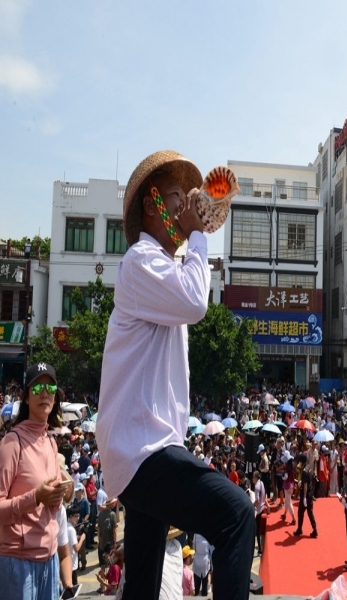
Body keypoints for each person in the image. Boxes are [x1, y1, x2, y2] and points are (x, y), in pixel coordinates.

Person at [96, 150, 254, 600]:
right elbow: (195, 301)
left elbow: (189, 290)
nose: (184, 206)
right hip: (143, 449)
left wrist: (202, 216)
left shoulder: (162, 267)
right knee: (236, 514)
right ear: (152, 205)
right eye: (174, 198)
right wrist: (197, 231)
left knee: (143, 582)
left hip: (143, 448)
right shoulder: (140, 260)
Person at [0, 362, 68, 600]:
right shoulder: (12, 443)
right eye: (38, 388)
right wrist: (35, 497)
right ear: (27, 398)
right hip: (17, 562)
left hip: (49, 559)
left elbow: (53, 506)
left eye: (51, 388)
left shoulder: (50, 442)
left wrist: (58, 496)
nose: (45, 393)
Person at [293, 454, 318, 538]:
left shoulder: (304, 471)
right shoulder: (309, 466)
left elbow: (305, 485)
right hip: (310, 493)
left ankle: (299, 529)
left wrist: (304, 497)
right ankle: (315, 530)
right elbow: (309, 479)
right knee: (310, 512)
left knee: (300, 512)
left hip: (306, 494)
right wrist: (301, 481)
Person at [66, 507, 86, 585]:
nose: (78, 518)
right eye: (76, 516)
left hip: (67, 564)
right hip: (72, 565)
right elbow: (76, 548)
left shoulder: (66, 526)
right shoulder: (71, 530)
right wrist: (82, 539)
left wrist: (76, 537)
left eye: (78, 516)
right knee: (73, 587)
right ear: (70, 516)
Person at [252, 470, 268, 555]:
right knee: (258, 528)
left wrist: (252, 504)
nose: (252, 479)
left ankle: (260, 549)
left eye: (253, 477)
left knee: (257, 529)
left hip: (257, 510)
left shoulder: (256, 487)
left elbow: (257, 501)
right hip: (262, 508)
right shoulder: (261, 483)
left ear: (255, 477)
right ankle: (260, 546)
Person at [192, 533, 213, 597]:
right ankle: (204, 594)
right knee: (204, 583)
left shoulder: (195, 534)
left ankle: (196, 594)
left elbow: (194, 547)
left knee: (196, 583)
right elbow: (210, 548)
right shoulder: (208, 533)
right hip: (205, 560)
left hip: (197, 559)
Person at [280, 451, 296, 525]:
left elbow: (285, 477)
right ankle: (284, 514)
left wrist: (282, 475)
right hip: (292, 484)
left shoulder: (287, 467)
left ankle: (293, 519)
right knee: (287, 500)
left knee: (289, 502)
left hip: (287, 485)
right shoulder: (292, 465)